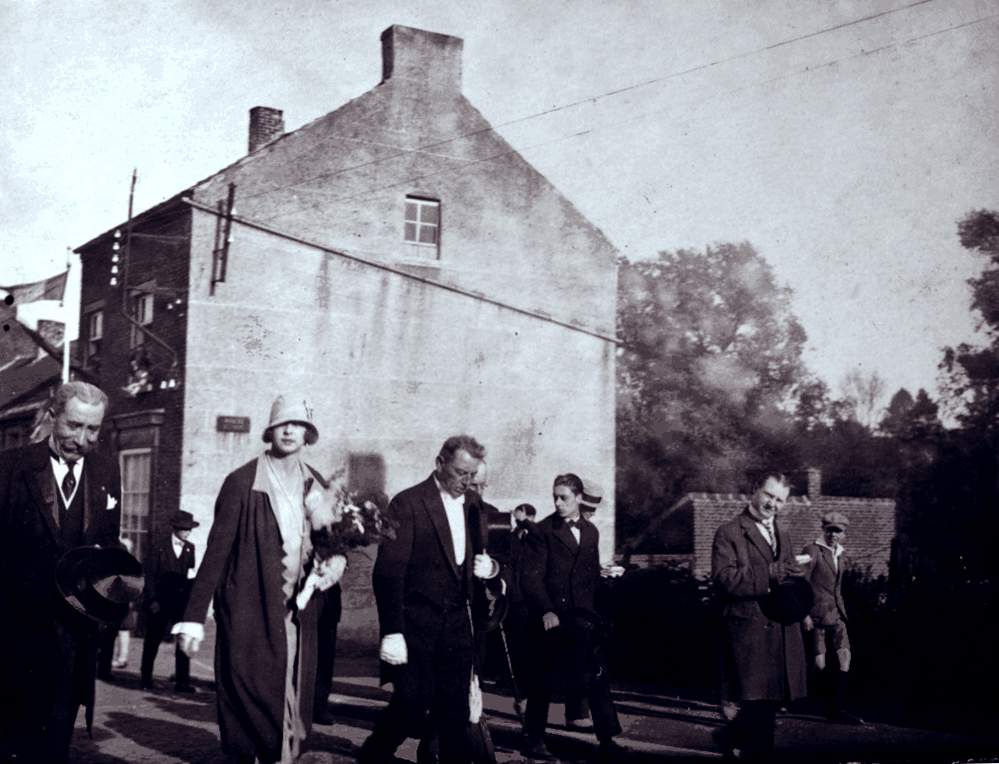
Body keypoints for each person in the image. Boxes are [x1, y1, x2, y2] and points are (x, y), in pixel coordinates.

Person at [173, 394, 338, 764]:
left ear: (308, 434)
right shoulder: (242, 482)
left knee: (293, 700)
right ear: (271, 430)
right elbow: (216, 553)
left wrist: (336, 559)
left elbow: (329, 542)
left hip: (299, 614)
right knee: (255, 698)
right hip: (250, 610)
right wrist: (193, 619)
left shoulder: (316, 482)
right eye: (284, 424)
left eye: (299, 425)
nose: (291, 431)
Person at [358, 436, 504, 764]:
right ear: (439, 464)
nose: (466, 482)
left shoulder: (474, 505)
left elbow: (493, 556)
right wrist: (392, 630)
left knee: (454, 708)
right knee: (412, 702)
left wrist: (490, 567)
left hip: (457, 622)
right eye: (460, 473)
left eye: (472, 475)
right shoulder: (408, 503)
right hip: (416, 620)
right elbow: (388, 572)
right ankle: (375, 752)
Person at [0, 381, 121, 764]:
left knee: (56, 745)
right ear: (53, 419)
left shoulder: (106, 470)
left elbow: (109, 542)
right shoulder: (10, 468)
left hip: (75, 640)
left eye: (93, 429)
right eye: (73, 426)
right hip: (15, 638)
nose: (82, 439)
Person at [520, 474, 624, 762]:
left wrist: (601, 605)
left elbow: (589, 576)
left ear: (579, 497)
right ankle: (535, 739)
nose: (557, 502)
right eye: (555, 496)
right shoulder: (542, 531)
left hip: (584, 619)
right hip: (552, 619)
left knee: (597, 676)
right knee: (543, 681)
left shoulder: (591, 532)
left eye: (563, 497)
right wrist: (546, 611)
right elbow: (530, 579)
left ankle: (607, 740)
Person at [711, 471, 808, 762]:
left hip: (780, 629)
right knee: (758, 705)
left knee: (774, 700)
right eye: (769, 495)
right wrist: (771, 572)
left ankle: (729, 736)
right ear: (755, 490)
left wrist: (794, 580)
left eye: (780, 500)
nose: (773, 504)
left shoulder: (784, 533)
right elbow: (724, 579)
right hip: (749, 631)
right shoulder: (729, 532)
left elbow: (782, 581)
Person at [801, 511, 864, 725]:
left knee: (844, 657)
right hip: (816, 617)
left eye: (838, 531)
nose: (833, 535)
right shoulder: (811, 550)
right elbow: (799, 584)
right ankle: (788, 693)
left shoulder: (841, 554)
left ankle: (836, 710)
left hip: (837, 616)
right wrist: (804, 613)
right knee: (818, 665)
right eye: (830, 530)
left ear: (844, 534)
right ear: (823, 530)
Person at [141, 510, 199, 692]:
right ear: (175, 528)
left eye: (189, 529)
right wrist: (152, 600)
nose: (187, 533)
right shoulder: (158, 547)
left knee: (183, 639)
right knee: (153, 640)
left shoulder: (190, 548)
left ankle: (182, 681)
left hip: (180, 603)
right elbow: (148, 576)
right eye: (184, 529)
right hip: (160, 602)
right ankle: (146, 679)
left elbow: (190, 573)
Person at [97, 536, 138, 679]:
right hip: (104, 597)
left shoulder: (121, 548)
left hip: (114, 599)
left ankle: (103, 669)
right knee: (105, 636)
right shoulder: (104, 545)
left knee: (109, 636)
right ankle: (102, 669)